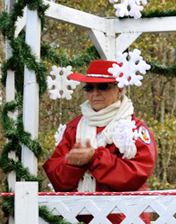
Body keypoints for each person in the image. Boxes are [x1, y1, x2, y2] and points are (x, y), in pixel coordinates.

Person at [43, 60, 157, 224]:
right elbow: (57, 178)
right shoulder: (73, 128)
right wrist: (73, 164)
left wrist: (95, 157)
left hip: (125, 218)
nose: (95, 93)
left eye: (102, 86)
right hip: (77, 217)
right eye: (89, 88)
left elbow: (136, 175)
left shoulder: (134, 128)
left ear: (119, 89)